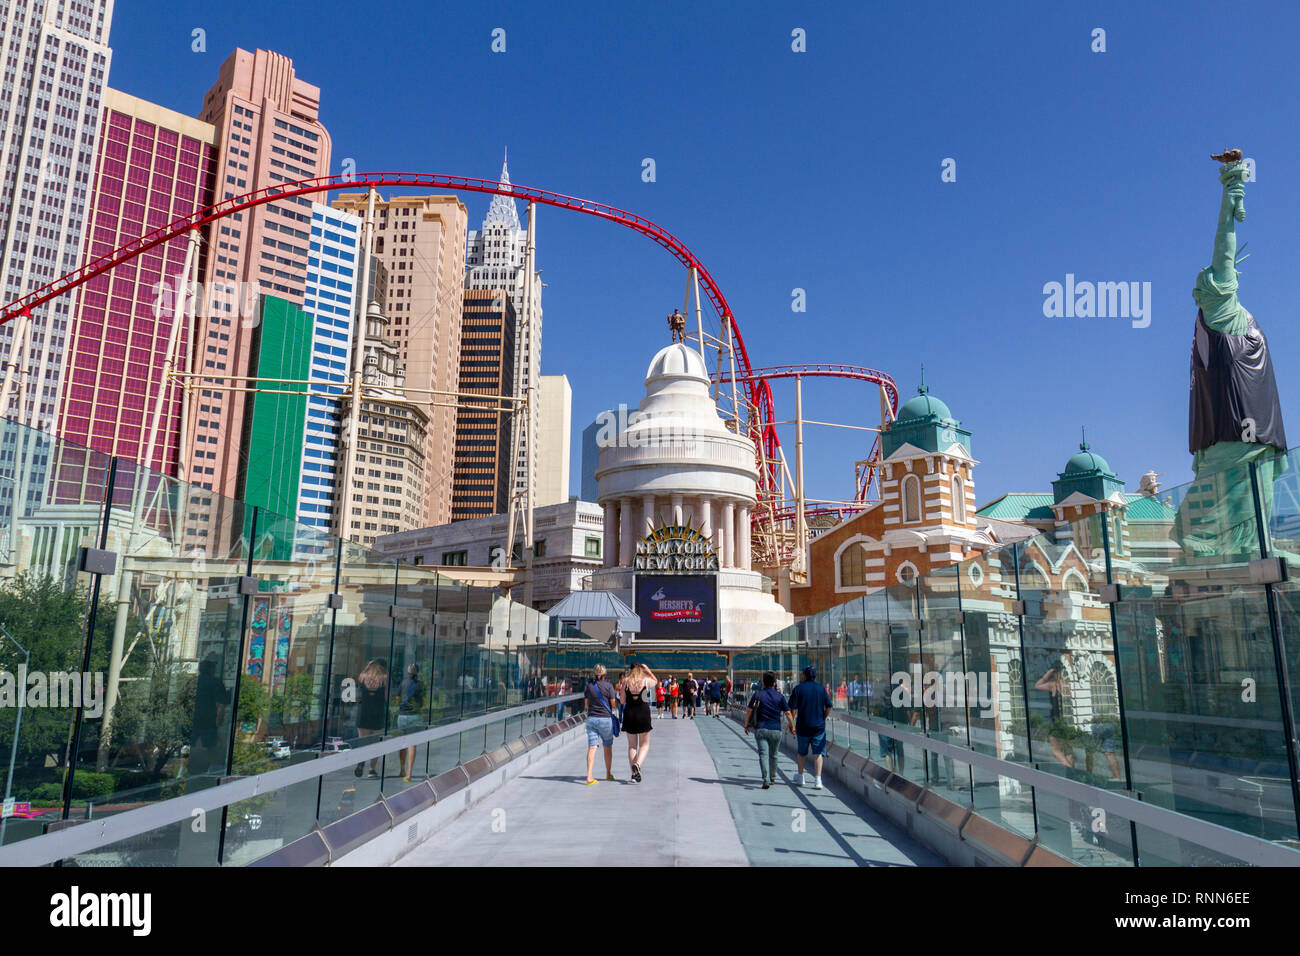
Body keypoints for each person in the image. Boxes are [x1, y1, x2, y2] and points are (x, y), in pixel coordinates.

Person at [745, 672, 793, 789]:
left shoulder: (758, 694)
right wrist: (792, 726)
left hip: (761, 729)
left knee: (763, 754)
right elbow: (787, 712)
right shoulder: (780, 697)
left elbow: (749, 710)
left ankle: (765, 779)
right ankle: (773, 778)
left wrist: (746, 724)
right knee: (774, 755)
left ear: (763, 683)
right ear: (774, 683)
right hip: (776, 730)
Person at [788, 665, 833, 789]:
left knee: (801, 753)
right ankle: (818, 780)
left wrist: (791, 724)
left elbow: (793, 709)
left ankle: (801, 777)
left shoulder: (798, 689)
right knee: (818, 753)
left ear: (804, 675)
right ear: (815, 676)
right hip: (818, 727)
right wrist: (823, 717)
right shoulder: (821, 689)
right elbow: (829, 706)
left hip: (802, 726)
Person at [621, 662, 656, 781]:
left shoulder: (625, 681)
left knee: (632, 746)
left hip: (629, 713)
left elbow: (622, 701)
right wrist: (648, 670)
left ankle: (633, 774)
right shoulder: (646, 680)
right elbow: (655, 681)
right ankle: (638, 765)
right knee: (644, 745)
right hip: (643, 713)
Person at [354, 658, 388, 779]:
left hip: (363, 712)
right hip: (377, 713)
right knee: (376, 742)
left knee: (362, 741)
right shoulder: (384, 679)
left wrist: (367, 667)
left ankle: (361, 762)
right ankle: (372, 770)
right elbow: (386, 697)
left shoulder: (363, 677)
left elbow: (358, 681)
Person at [584, 664, 618, 784]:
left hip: (592, 719)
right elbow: (613, 704)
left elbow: (586, 705)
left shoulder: (589, 686)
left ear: (594, 674)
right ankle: (608, 774)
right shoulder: (609, 686)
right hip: (605, 719)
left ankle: (589, 776)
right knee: (607, 747)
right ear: (604, 674)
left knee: (592, 747)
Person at [395, 663, 425, 782]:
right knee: (412, 744)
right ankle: (409, 773)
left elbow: (397, 700)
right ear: (417, 672)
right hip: (414, 716)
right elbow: (423, 703)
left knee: (402, 743)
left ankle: (402, 769)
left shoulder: (402, 683)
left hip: (402, 716)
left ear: (408, 672)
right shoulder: (421, 685)